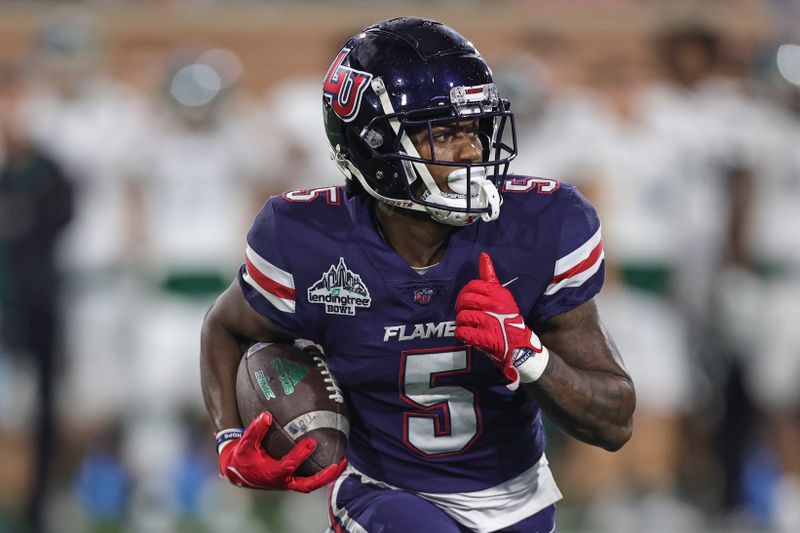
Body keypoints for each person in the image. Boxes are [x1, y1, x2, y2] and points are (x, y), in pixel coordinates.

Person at [200, 17, 635, 533]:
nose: (471, 151)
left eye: (474, 129)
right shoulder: (305, 239)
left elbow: (614, 421)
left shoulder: (540, 225)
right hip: (384, 493)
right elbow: (226, 327)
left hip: (518, 500)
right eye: (444, 133)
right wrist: (229, 439)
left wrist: (529, 356)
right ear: (373, 145)